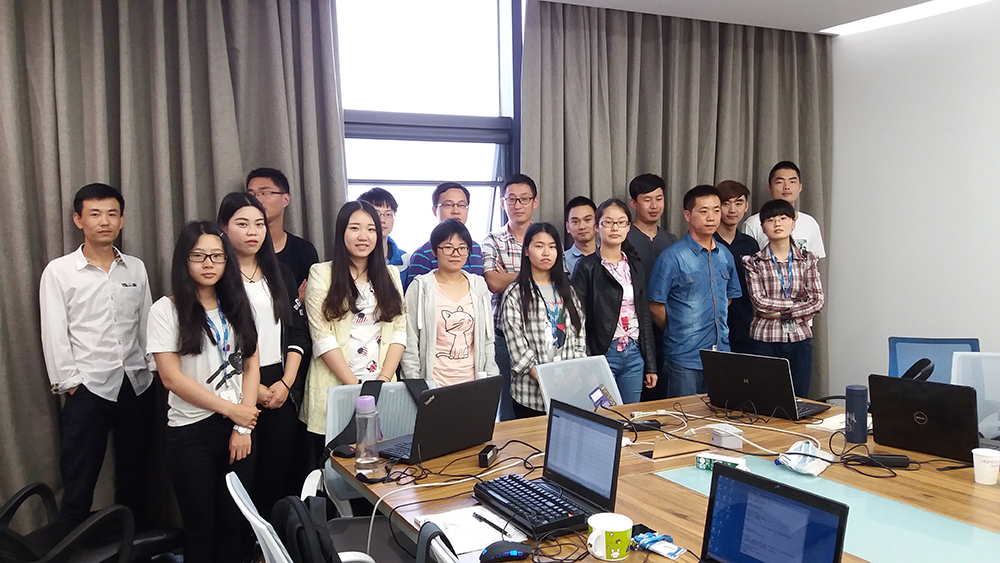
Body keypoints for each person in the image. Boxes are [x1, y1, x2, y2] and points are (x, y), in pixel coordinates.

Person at [39, 183, 154, 526]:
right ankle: (72, 545)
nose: (104, 221)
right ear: (79, 220)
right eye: (95, 214)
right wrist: (71, 384)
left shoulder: (135, 268)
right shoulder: (59, 271)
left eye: (112, 214)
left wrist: (152, 370)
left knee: (137, 477)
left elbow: (146, 323)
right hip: (87, 387)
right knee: (79, 479)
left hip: (136, 384)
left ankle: (133, 542)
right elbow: (54, 332)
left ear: (122, 220)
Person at [146, 221, 261, 563]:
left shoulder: (239, 305)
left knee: (234, 524)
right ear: (184, 260)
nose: (208, 264)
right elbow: (171, 378)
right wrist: (233, 411)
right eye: (198, 256)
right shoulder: (165, 310)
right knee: (201, 528)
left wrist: (242, 426)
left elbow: (251, 365)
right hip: (191, 432)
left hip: (238, 429)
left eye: (217, 256)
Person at [217, 192, 309, 515]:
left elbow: (298, 329)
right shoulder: (218, 276)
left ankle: (271, 541)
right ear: (224, 227)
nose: (253, 232)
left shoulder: (280, 272)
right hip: (235, 385)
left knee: (276, 477)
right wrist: (251, 389)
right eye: (242, 224)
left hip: (280, 383)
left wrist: (286, 382)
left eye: (259, 224)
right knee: (240, 481)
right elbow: (215, 343)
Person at [299, 201, 407, 437]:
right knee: (337, 456)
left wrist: (382, 382)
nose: (363, 236)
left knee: (384, 453)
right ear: (342, 231)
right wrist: (357, 389)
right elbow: (322, 337)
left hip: (382, 384)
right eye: (355, 228)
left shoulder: (390, 274)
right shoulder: (321, 273)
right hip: (336, 385)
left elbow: (399, 331)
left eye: (371, 229)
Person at [649, 185, 742, 397]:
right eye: (704, 211)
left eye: (716, 210)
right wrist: (678, 328)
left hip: (720, 355)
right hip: (684, 357)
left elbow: (728, 298)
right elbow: (655, 306)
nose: (711, 217)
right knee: (683, 415)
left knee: (719, 413)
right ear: (687, 215)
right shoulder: (672, 257)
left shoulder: (725, 255)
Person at [571, 199, 657, 404]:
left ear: (628, 227)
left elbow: (644, 314)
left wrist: (651, 364)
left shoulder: (634, 264)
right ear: (597, 227)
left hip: (634, 352)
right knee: (602, 413)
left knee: (629, 416)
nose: (614, 228)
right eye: (608, 223)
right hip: (603, 352)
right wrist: (588, 364)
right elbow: (576, 319)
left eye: (621, 222)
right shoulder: (587, 266)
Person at [500, 223, 586, 418]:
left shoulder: (568, 290)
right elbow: (518, 349)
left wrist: (574, 374)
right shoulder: (515, 294)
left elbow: (579, 335)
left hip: (569, 391)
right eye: (539, 246)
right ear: (526, 251)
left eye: (552, 246)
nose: (546, 252)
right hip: (531, 395)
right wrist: (546, 380)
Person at [743, 199, 825, 398]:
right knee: (764, 399)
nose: (777, 223)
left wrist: (780, 313)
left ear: (793, 221)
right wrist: (798, 306)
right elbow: (759, 302)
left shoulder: (807, 259)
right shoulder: (754, 262)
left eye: (783, 218)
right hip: (764, 340)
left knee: (799, 399)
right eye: (771, 220)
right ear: (763, 226)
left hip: (799, 339)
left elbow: (817, 300)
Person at [402, 219, 498, 385]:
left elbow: (487, 339)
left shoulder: (479, 285)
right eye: (448, 247)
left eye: (462, 248)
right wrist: (415, 385)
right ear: (434, 251)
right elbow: (410, 342)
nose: (456, 253)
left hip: (473, 384)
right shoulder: (420, 287)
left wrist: (491, 379)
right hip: (433, 384)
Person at [482, 174, 538, 420]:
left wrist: (509, 275)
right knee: (505, 413)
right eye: (511, 199)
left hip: (541, 337)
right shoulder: (492, 240)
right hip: (503, 338)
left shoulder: (545, 237)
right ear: (503, 203)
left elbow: (557, 280)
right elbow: (493, 282)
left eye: (524, 199)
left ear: (535, 202)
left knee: (542, 410)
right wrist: (534, 272)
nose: (517, 205)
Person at [246, 168, 319, 293]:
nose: (256, 200)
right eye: (251, 195)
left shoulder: (303, 250)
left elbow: (311, 295)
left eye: (265, 193)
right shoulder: (241, 249)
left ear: (286, 199)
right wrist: (294, 297)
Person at [403, 182, 484, 290]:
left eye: (461, 205)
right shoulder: (422, 254)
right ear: (434, 210)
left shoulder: (476, 249)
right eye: (448, 205)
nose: (456, 211)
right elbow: (416, 295)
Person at [741, 161, 826, 258]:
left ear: (800, 187)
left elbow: (816, 261)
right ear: (769, 188)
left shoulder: (810, 223)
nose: (786, 187)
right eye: (779, 182)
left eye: (792, 182)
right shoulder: (753, 223)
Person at [714, 180, 760, 354]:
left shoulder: (750, 244)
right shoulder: (708, 242)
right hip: (713, 324)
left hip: (745, 325)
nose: (732, 210)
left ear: (746, 206)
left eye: (738, 203)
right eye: (726, 203)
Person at [626, 173, 678, 280]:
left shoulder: (671, 240)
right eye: (647, 200)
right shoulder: (624, 238)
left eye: (659, 199)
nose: (654, 206)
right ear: (634, 203)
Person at [358, 187, 408, 270]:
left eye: (388, 214)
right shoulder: (355, 258)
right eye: (376, 213)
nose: (382, 220)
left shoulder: (405, 260)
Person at [564, 196, 598, 276]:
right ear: (568, 227)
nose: (582, 227)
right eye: (575, 222)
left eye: (587, 220)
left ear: (597, 223)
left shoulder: (608, 257)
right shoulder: (562, 261)